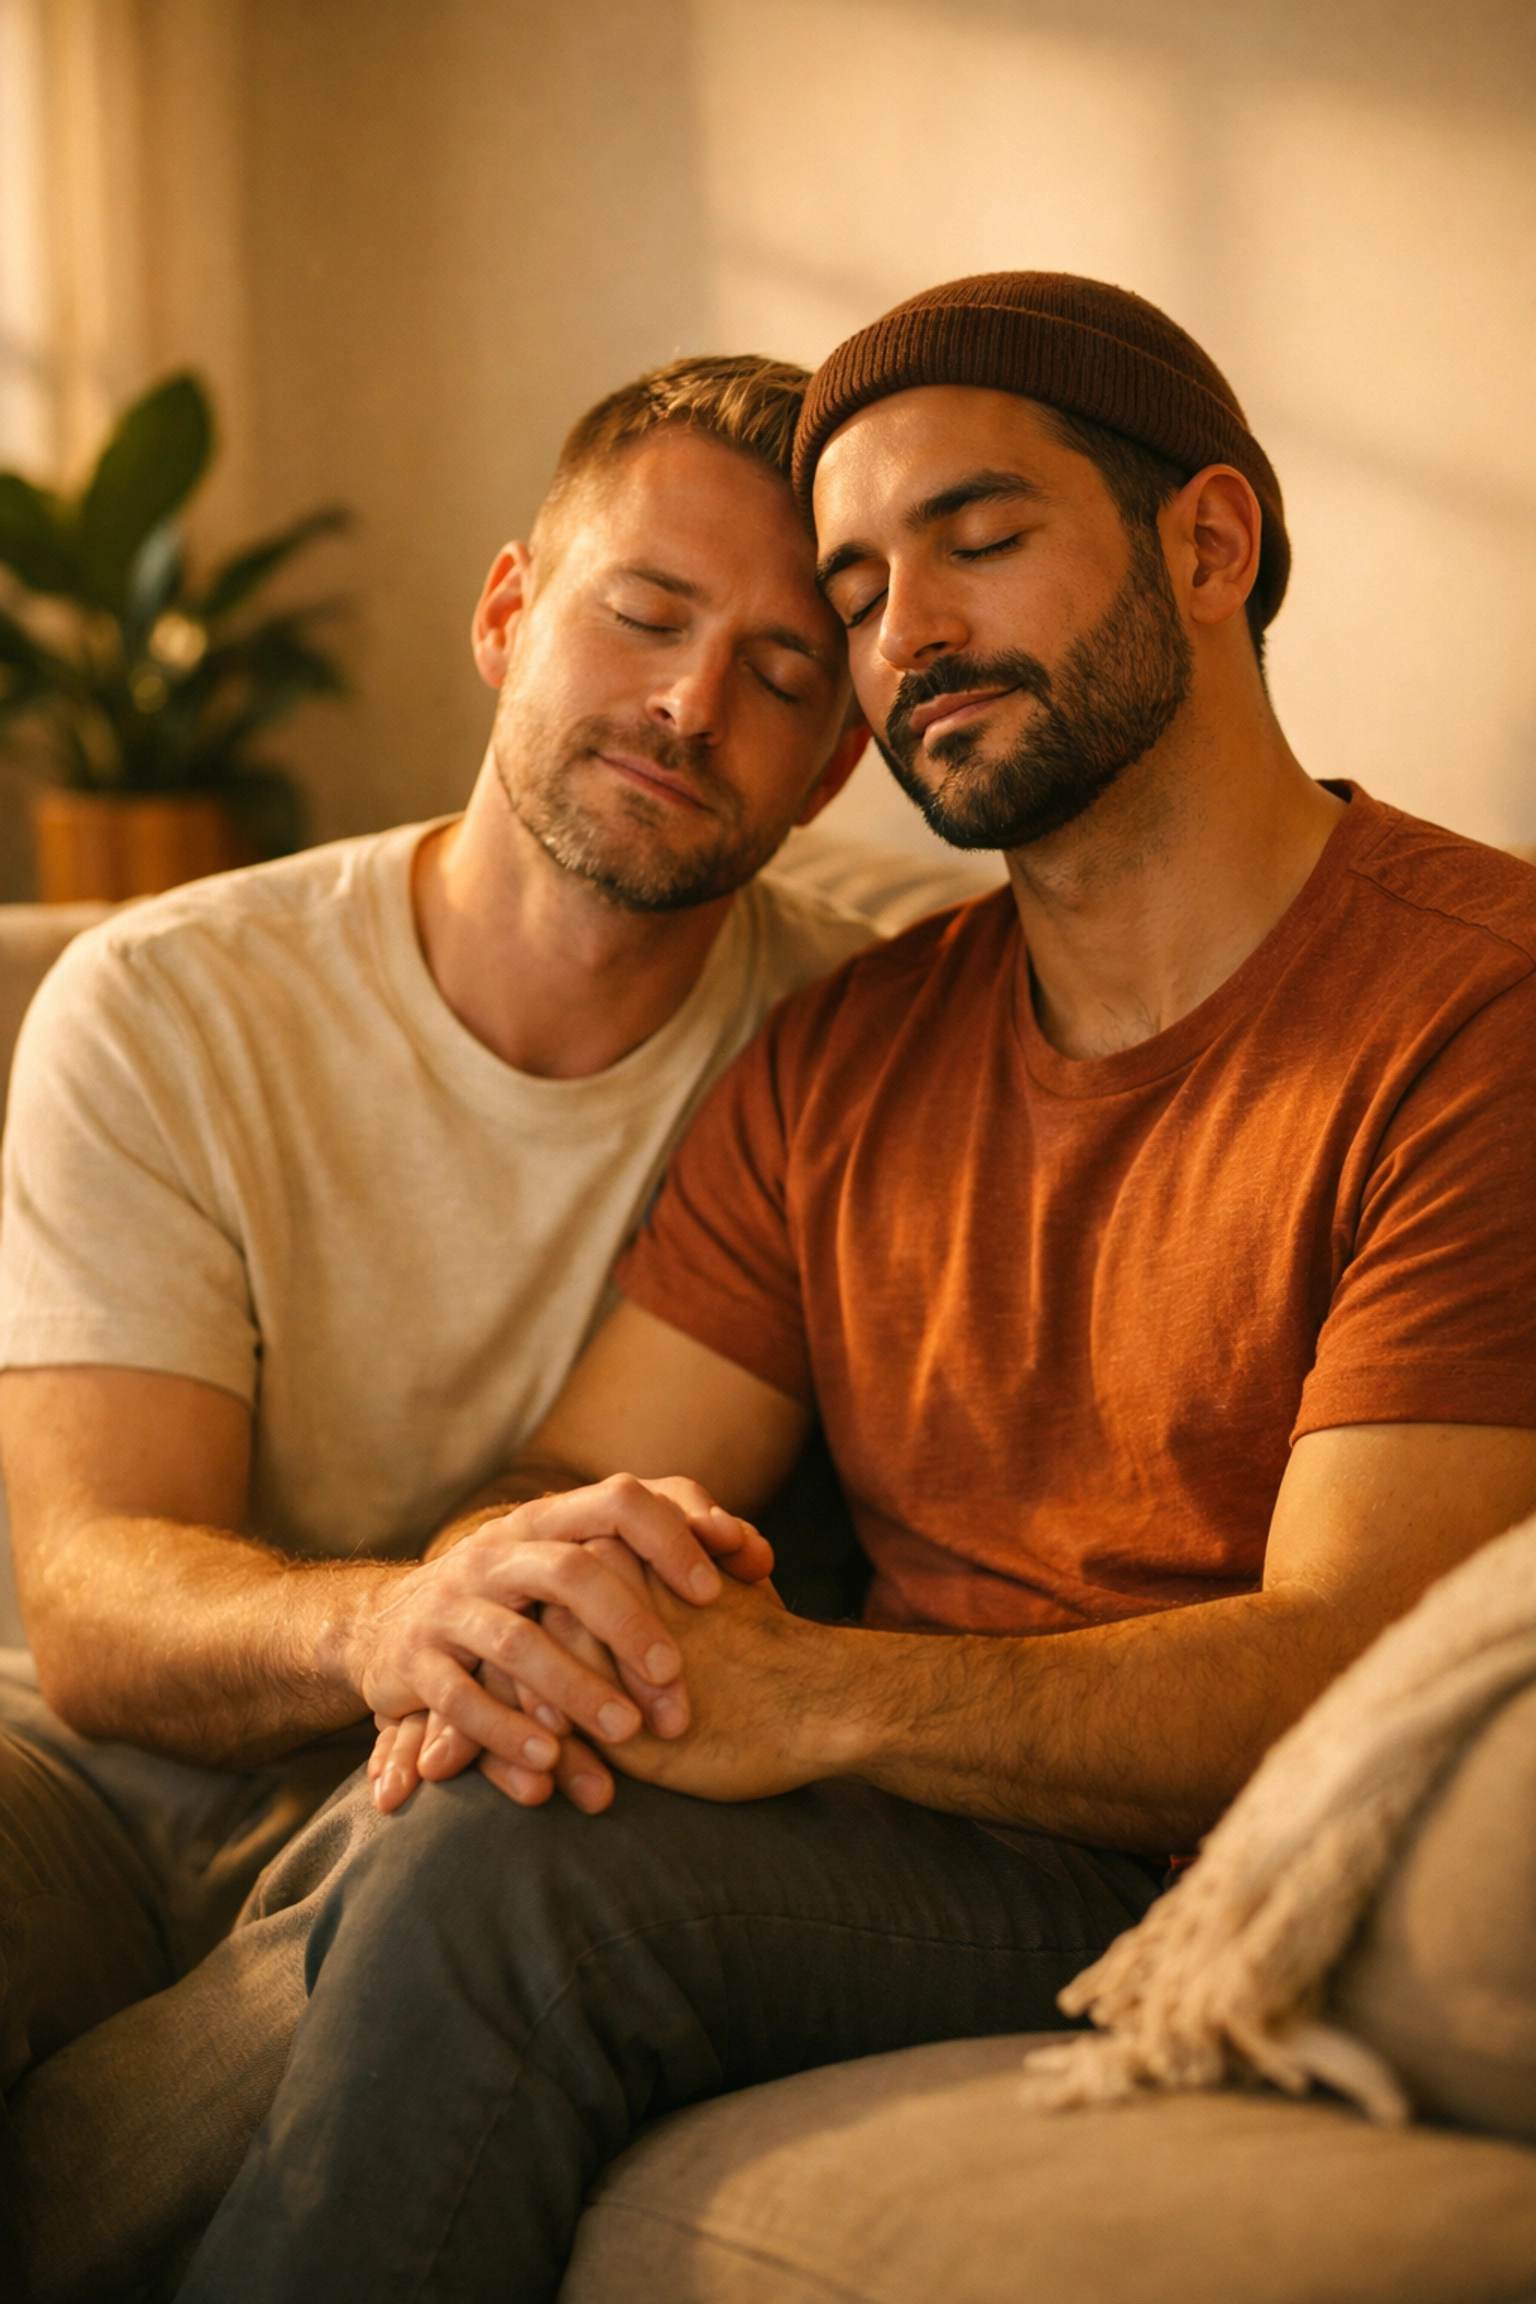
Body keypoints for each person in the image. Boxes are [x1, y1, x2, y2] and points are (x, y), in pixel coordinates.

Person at [176, 271, 1536, 2304]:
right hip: (915, 1843)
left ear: (1210, 544)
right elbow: (568, 1477)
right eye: (864, 590)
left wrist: (808, 1691)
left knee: (500, 1885)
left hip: (1209, 1875)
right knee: (476, 1777)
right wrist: (540, 1611)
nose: (912, 635)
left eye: (980, 541)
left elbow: (1342, 1661)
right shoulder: (847, 1056)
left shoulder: (1474, 1009)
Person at [0, 351, 964, 2284]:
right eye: (646, 614)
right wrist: (386, 1623)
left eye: (786, 675)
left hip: (488, 1790)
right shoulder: (171, 1003)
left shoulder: (862, 1050)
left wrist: (469, 1670)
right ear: (510, 612)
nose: (695, 706)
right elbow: (89, 1601)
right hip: (103, 1793)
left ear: (837, 761)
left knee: (484, 1865)